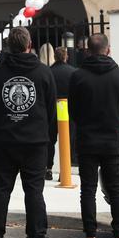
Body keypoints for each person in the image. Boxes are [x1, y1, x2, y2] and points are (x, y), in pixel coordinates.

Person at [0, 27, 59, 238]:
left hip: (5, 139)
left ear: (8, 46)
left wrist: (4, 126)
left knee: (1, 190)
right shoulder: (44, 72)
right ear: (29, 44)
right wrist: (47, 137)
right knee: (34, 191)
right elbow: (51, 109)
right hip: (35, 141)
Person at [68, 34, 119, 238]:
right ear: (108, 50)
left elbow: (73, 110)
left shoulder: (78, 76)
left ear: (88, 51)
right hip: (113, 140)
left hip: (87, 140)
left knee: (88, 190)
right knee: (117, 190)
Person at [47, 47, 77, 181]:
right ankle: (64, 171)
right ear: (66, 57)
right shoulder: (73, 72)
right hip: (68, 108)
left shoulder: (48, 71)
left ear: (55, 57)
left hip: (52, 109)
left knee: (50, 140)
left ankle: (48, 169)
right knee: (68, 141)